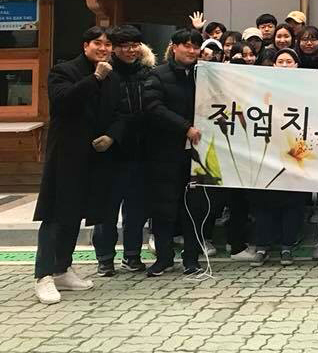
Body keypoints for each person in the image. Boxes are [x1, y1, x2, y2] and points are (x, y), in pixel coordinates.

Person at [33, 27, 115, 304]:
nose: (103, 48)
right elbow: (62, 101)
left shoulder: (111, 75)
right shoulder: (63, 71)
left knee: (76, 213)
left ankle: (62, 269)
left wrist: (112, 135)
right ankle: (43, 276)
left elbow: (116, 111)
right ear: (85, 45)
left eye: (107, 44)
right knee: (55, 215)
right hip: (66, 154)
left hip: (93, 155)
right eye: (97, 43)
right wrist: (95, 78)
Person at [92, 25, 154, 277]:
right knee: (106, 209)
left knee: (137, 209)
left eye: (134, 45)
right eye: (124, 46)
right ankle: (105, 258)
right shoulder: (104, 73)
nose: (130, 50)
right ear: (114, 48)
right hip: (111, 151)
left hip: (142, 151)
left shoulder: (148, 73)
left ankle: (132, 255)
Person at [142, 28, 204, 276]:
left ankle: (192, 259)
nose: (192, 51)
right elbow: (153, 107)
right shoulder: (157, 75)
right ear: (174, 47)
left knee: (194, 207)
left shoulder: (204, 75)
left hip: (198, 155)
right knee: (163, 207)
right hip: (165, 153)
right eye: (186, 46)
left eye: (195, 46)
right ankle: (164, 258)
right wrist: (185, 127)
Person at [250, 49, 306, 267]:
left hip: (296, 152)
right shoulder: (262, 87)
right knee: (264, 201)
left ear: (296, 65)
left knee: (293, 202)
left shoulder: (309, 88)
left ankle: (287, 246)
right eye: (280, 61)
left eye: (289, 61)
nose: (284, 65)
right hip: (267, 151)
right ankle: (262, 246)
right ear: (273, 65)